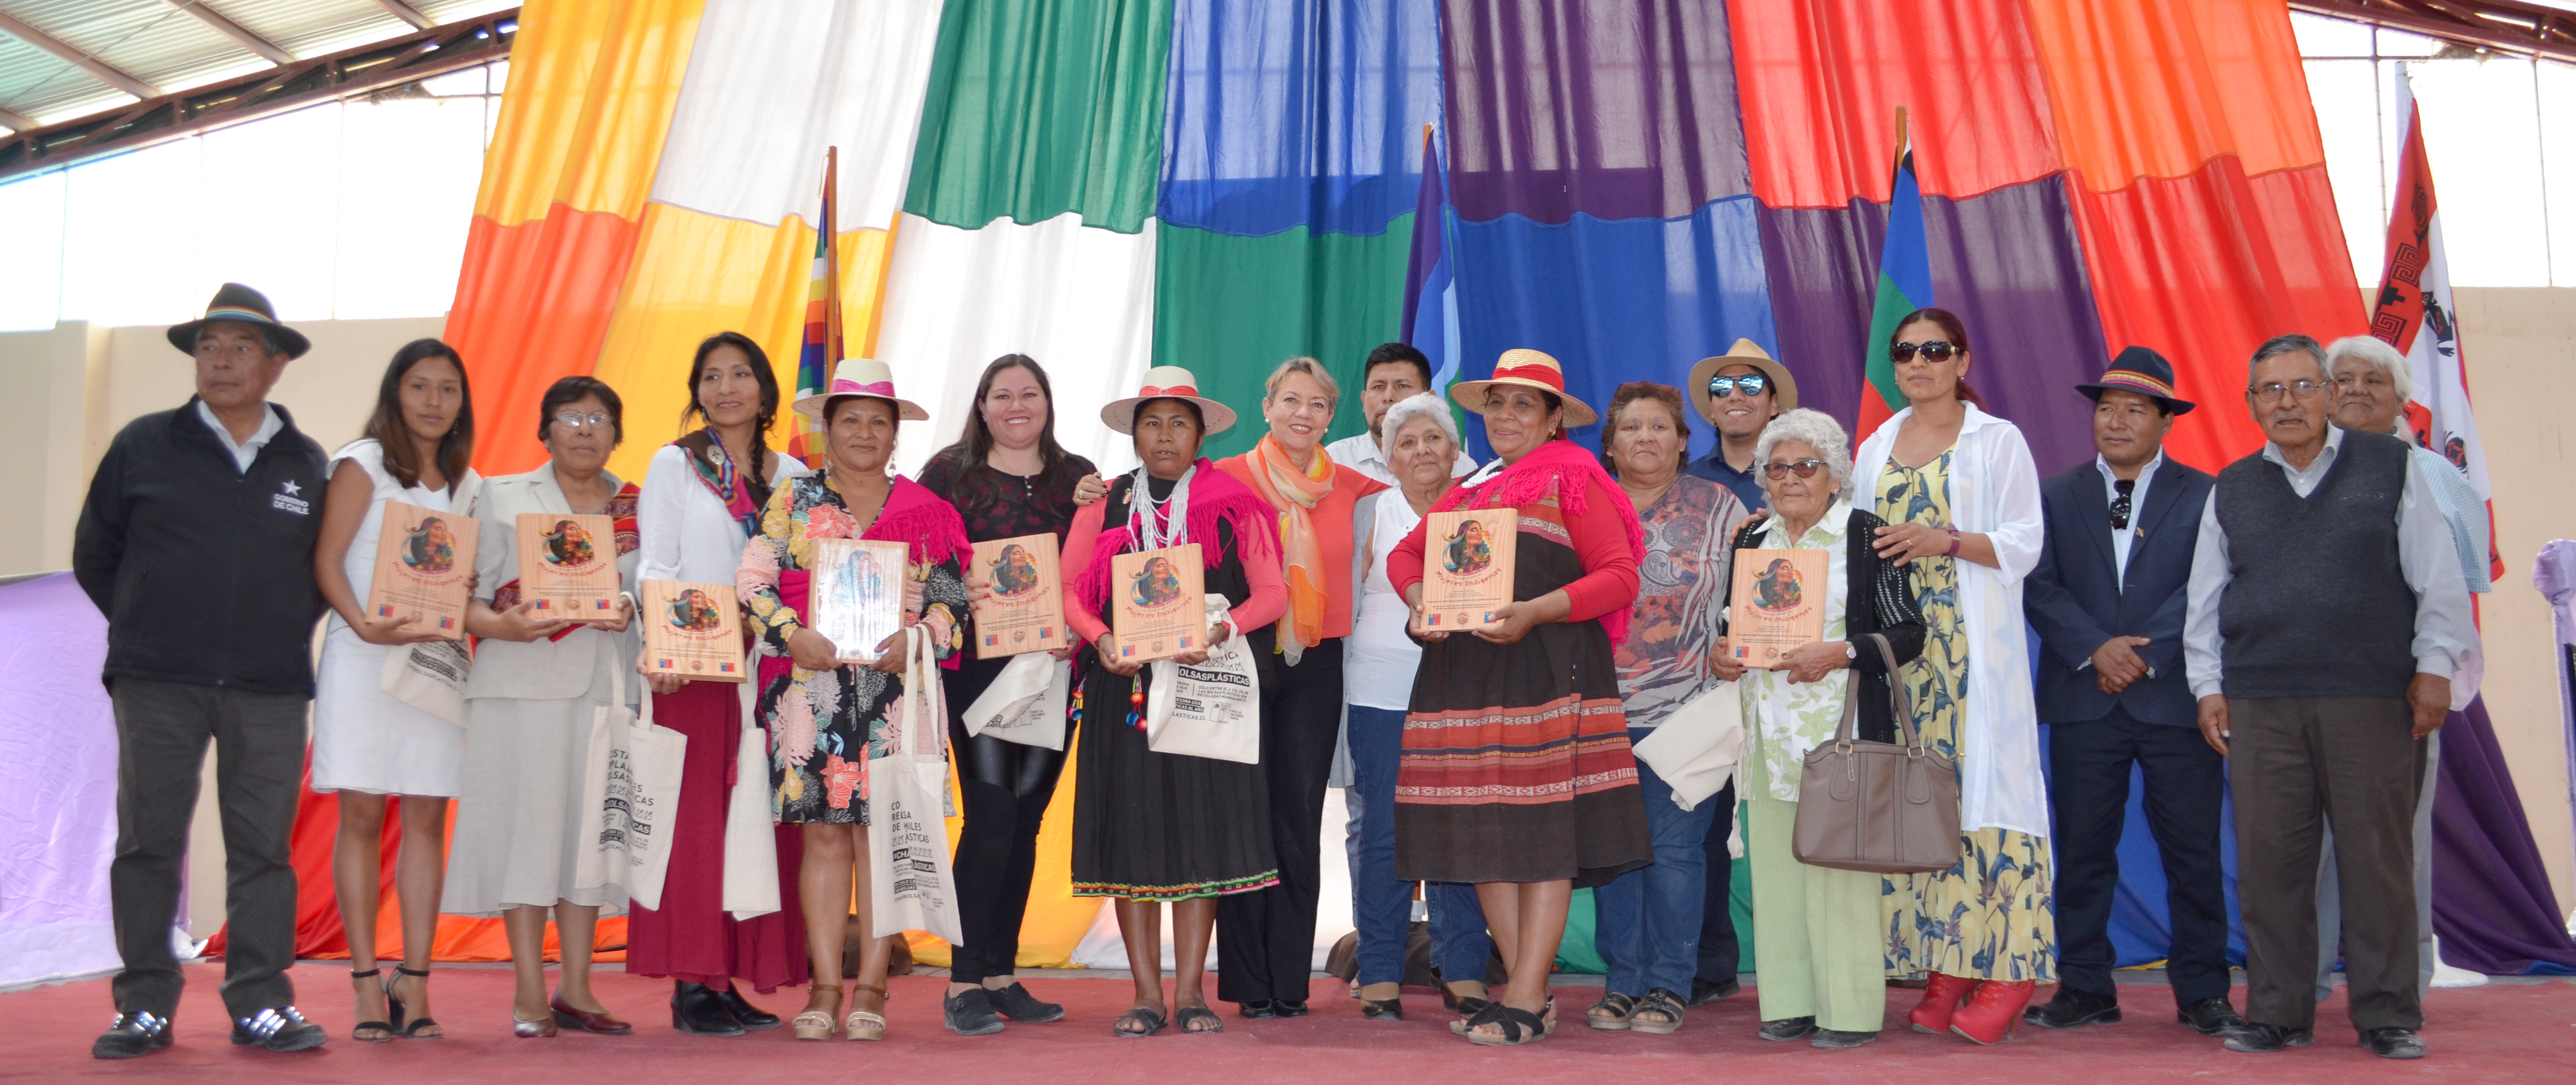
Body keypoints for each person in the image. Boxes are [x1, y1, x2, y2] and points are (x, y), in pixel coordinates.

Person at [2186, 334, 2473, 1060]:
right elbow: (2205, 600)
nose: (2287, 402)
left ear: (2327, 393)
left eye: (2302, 386)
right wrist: (2208, 686)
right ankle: (2278, 1011)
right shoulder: (2233, 486)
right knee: (2271, 863)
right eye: (2270, 390)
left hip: (2371, 697)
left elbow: (2436, 577)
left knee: (2379, 861)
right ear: (2251, 404)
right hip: (2261, 702)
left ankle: (2388, 1014)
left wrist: (2436, 664)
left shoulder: (2392, 467)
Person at [77, 284, 333, 1058]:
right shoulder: (143, 444)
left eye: (241, 347)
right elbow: (97, 553)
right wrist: (146, 627)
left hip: (270, 686)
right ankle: (144, 1002)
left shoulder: (306, 460)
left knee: (263, 849)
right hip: (157, 680)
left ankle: (260, 999)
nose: (221, 361)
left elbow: (320, 570)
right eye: (209, 347)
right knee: (148, 842)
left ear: (277, 363)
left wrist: (278, 631)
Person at [1389, 349, 1651, 1046]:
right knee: (1486, 838)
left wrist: (1538, 609)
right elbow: (1405, 556)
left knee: (1538, 840)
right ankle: (1526, 989)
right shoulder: (1471, 487)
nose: (1506, 415)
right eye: (1497, 403)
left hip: (1545, 673)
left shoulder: (1576, 476)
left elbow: (1621, 575)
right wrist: (1419, 602)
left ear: (1554, 417)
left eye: (1524, 404)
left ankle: (1530, 993)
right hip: (1465, 682)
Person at [738, 358, 970, 1042]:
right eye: (851, 421)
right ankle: (824, 986)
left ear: (894, 434)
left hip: (897, 692)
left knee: (883, 837)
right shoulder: (793, 501)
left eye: (878, 421)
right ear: (828, 429)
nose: (865, 432)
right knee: (825, 834)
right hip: (811, 687)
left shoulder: (927, 509)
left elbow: (954, 600)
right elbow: (752, 582)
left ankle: (872, 985)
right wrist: (790, 632)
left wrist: (921, 634)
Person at [2020, 348, 2243, 1036]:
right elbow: (2038, 582)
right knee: (2084, 849)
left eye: (2135, 410)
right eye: (2107, 408)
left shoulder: (2206, 494)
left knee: (2193, 850)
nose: (2116, 421)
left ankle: (2203, 990)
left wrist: (2143, 655)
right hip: (2085, 696)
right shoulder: (2052, 495)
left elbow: (2209, 588)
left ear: (2165, 422)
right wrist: (2096, 647)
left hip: (2175, 696)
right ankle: (2086, 984)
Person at [1060, 366, 1286, 1037]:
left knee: (1199, 835)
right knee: (1131, 838)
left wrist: (1223, 630)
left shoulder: (1234, 500)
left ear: (1199, 434)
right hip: (1121, 686)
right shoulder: (1102, 500)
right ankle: (1144, 994)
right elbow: (1070, 589)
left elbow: (1272, 593)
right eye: (1152, 422)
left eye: (1177, 423)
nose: (1164, 435)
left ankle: (1191, 992)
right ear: (1134, 434)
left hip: (1200, 688)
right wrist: (1101, 637)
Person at [1850, 308, 2054, 1044]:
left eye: (1935, 350)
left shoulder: (1997, 440)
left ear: (1963, 359)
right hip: (1904, 656)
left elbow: (2027, 541)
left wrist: (1950, 539)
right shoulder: (1875, 443)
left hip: (1973, 653)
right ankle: (1948, 962)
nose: (1919, 362)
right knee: (1923, 803)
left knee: (1987, 802)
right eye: (1905, 352)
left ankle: (2012, 965)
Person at [1707, 408, 1925, 1049]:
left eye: (1806, 465)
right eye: (1775, 468)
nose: (1790, 478)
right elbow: (1729, 630)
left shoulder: (1865, 534)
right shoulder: (1752, 542)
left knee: (1839, 875)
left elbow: (1907, 631)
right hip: (1767, 733)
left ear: (1834, 476)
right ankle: (1788, 1002)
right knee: (1775, 875)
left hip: (1843, 734)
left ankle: (1851, 1010)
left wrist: (1840, 650)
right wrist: (1722, 656)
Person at [442, 376, 642, 1039]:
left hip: (606, 689)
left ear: (616, 432)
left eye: (599, 418)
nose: (585, 429)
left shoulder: (633, 505)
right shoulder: (498, 495)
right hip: (520, 686)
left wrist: (632, 606)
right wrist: (500, 626)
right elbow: (454, 594)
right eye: (570, 416)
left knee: (589, 838)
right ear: (545, 428)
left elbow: (653, 587)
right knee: (526, 835)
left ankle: (578, 986)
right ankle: (529, 988)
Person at [916, 353, 1106, 1035]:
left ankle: (1000, 972)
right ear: (983, 403)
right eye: (1003, 395)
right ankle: (964, 978)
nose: (1016, 405)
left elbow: (1099, 565)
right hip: (979, 666)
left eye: (1030, 393)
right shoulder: (947, 472)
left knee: (1027, 816)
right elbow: (920, 552)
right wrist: (950, 589)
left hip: (1056, 666)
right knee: (992, 811)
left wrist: (1080, 630)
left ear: (1048, 403)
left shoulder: (1078, 476)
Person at [630, 332, 811, 1035]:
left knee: (758, 825)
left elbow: (800, 571)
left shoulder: (795, 473)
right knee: (696, 824)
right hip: (695, 665)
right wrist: (664, 643)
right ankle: (693, 980)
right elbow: (655, 563)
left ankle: (732, 972)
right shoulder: (675, 465)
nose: (727, 386)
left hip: (771, 668)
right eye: (712, 375)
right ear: (696, 389)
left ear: (765, 391)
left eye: (741, 374)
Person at [2313, 333, 2494, 1003]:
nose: (2357, 389)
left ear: (2401, 397)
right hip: (2302, 692)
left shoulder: (2439, 479)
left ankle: (2400, 985)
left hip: (2397, 689)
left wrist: (2434, 670)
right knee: (2307, 847)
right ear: (2321, 395)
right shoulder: (2290, 472)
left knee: (2398, 844)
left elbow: (2453, 590)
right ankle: (2300, 982)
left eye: (2373, 379)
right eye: (2342, 378)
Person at [309, 339, 478, 1043]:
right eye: (420, 387)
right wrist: (360, 622)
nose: (434, 402)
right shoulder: (362, 462)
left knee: (428, 820)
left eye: (447, 389)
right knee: (361, 815)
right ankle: (362, 982)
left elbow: (468, 577)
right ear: (395, 392)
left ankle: (415, 976)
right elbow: (325, 558)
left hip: (434, 665)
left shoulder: (470, 482)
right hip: (362, 659)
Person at [1213, 357, 1389, 1018]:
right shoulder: (1224, 478)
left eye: (1316, 405)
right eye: (1290, 400)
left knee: (1295, 816)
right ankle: (1246, 982)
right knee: (1242, 814)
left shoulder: (1355, 488)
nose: (1301, 414)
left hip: (1317, 663)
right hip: (1242, 654)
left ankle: (1288, 979)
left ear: (1329, 417)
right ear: (1266, 406)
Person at [1585, 382, 1751, 1036]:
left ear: (1683, 441)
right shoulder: (1585, 506)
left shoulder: (1722, 506)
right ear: (1610, 444)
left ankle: (1667, 984)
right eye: (1630, 428)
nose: (1645, 437)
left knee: (1677, 849)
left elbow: (1759, 593)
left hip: (1689, 707)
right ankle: (1622, 979)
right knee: (1612, 850)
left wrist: (1735, 643)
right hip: (1594, 706)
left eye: (1660, 426)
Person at [1343, 393, 1493, 1023]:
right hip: (1378, 691)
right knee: (1383, 831)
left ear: (1455, 451)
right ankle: (1378, 969)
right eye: (1407, 441)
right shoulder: (1367, 512)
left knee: (1461, 830)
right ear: (1387, 455)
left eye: (1434, 439)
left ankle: (1463, 967)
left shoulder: (1483, 510)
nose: (1422, 450)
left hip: (1462, 692)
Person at [1684, 339, 1796, 513]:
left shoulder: (1798, 478)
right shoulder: (1685, 480)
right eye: (1722, 386)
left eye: (1751, 385)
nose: (1735, 396)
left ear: (1774, 404)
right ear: (1712, 408)